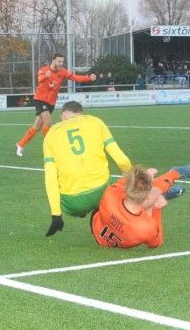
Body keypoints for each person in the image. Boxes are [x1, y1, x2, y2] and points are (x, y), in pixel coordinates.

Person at [42, 100, 133, 236]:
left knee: (61, 186)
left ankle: (83, 211)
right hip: (102, 191)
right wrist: (134, 180)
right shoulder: (95, 122)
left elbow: (50, 179)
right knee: (114, 184)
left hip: (74, 203)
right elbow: (121, 159)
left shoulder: (51, 134)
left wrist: (56, 215)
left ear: (62, 117)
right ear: (81, 114)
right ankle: (103, 211)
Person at [91, 164, 190, 249]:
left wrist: (144, 177)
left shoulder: (110, 193)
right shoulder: (146, 227)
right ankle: (174, 173)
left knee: (140, 192)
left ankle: (160, 192)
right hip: (136, 221)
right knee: (155, 191)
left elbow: (124, 183)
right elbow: (157, 242)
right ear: (147, 197)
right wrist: (156, 208)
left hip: (97, 224)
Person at [15, 53, 96, 157]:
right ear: (53, 61)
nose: (61, 63)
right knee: (48, 122)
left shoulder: (63, 71)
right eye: (59, 61)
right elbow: (40, 80)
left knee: (37, 126)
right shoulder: (44, 70)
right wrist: (46, 76)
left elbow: (75, 77)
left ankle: (20, 144)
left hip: (51, 103)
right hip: (40, 100)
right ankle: (50, 149)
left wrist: (88, 78)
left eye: (62, 61)